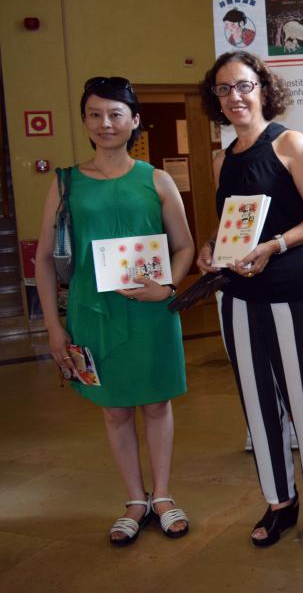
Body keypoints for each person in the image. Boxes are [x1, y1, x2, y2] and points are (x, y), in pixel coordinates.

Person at [35, 76, 195, 546]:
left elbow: (184, 246)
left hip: (151, 312)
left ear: (134, 120)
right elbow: (43, 259)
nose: (105, 123)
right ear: (85, 121)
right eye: (95, 114)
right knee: (114, 410)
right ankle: (134, 500)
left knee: (157, 403)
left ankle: (162, 495)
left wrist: (167, 287)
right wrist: (53, 328)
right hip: (93, 311)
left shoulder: (156, 179)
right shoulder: (65, 183)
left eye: (115, 114)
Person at [196, 51, 303, 547]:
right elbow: (231, 228)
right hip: (238, 298)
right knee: (258, 406)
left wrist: (274, 246)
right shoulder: (222, 160)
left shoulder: (288, 144)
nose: (234, 96)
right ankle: (280, 501)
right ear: (215, 99)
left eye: (243, 85)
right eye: (224, 89)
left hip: (295, 295)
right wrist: (210, 247)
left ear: (262, 88)